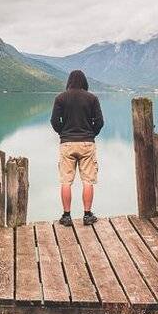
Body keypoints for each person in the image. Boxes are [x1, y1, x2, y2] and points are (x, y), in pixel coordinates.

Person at [50, 69, 103, 227]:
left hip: (67, 143)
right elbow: (99, 122)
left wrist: (63, 133)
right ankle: (87, 215)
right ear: (84, 82)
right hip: (87, 143)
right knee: (88, 180)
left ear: (69, 81)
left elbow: (54, 121)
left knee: (66, 181)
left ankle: (66, 216)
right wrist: (91, 134)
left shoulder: (60, 98)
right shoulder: (92, 98)